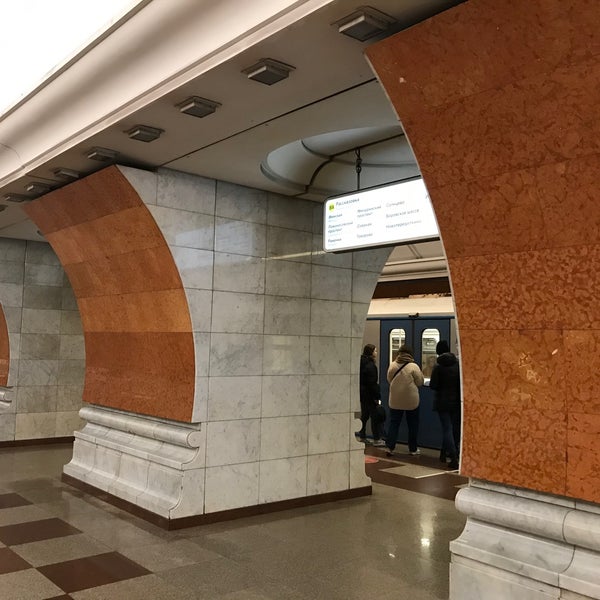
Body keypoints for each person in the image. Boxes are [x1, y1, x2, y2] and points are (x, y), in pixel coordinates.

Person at [385, 344, 424, 456]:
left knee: (394, 423)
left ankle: (390, 447)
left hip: (395, 400)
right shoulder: (413, 366)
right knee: (413, 424)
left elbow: (389, 379)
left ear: (399, 353)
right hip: (411, 401)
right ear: (410, 354)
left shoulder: (393, 365)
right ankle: (413, 449)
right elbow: (420, 382)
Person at [429, 340, 461, 470]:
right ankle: (444, 453)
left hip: (442, 402)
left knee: (447, 429)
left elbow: (433, 385)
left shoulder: (438, 366)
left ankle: (453, 457)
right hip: (456, 402)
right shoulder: (457, 364)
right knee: (453, 429)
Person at [356, 344, 385, 446]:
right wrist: (377, 396)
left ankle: (362, 435)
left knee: (365, 415)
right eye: (375, 351)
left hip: (362, 393)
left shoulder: (360, 363)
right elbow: (372, 383)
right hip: (370, 394)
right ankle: (376, 438)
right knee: (374, 416)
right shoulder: (371, 366)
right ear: (371, 352)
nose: (376, 353)